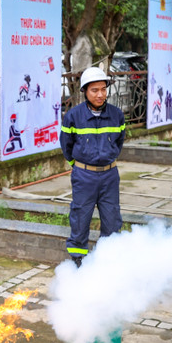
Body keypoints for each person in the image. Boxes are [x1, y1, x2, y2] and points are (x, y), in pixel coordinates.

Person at [60, 67, 126, 267]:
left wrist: (107, 160)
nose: (100, 94)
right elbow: (66, 145)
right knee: (81, 217)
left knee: (112, 218)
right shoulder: (73, 116)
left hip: (109, 175)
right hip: (84, 176)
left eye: (103, 89)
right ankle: (77, 260)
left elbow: (119, 143)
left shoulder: (117, 115)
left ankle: (109, 259)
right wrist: (79, 167)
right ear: (85, 91)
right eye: (94, 90)